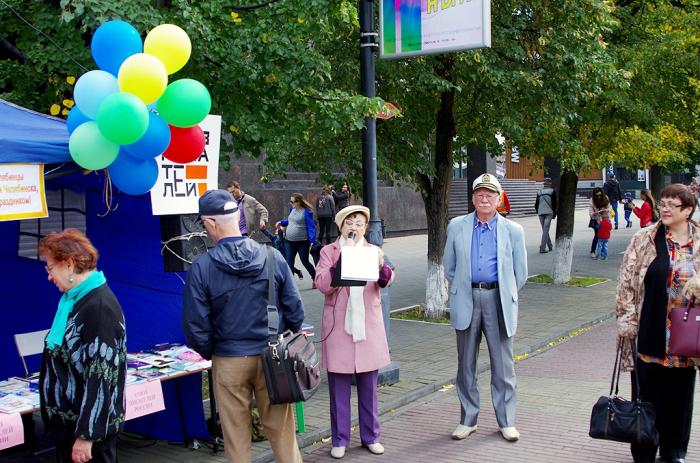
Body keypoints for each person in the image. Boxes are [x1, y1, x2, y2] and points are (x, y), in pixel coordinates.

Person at [182, 190, 304, 463]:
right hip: (273, 356)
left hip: (229, 359)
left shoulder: (202, 267)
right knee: (283, 435)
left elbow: (195, 326)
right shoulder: (271, 256)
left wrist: (216, 351)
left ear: (211, 224)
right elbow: (296, 310)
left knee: (236, 439)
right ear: (237, 215)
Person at [442, 173, 528, 443]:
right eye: (480, 194)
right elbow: (449, 267)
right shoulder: (457, 226)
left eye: (490, 194)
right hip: (467, 298)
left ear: (499, 198)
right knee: (465, 364)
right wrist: (463, 289)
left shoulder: (513, 231)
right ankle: (468, 419)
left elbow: (520, 273)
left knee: (502, 365)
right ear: (473, 198)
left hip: (497, 300)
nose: (484, 199)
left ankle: (506, 421)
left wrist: (503, 292)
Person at [616, 183, 698, 463]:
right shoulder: (645, 238)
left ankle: (674, 450)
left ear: (687, 210)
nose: (663, 208)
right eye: (662, 203)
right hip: (649, 328)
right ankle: (644, 448)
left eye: (671, 205)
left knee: (680, 394)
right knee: (647, 393)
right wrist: (626, 319)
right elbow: (626, 282)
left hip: (687, 333)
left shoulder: (699, 240)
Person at [38, 229, 126, 463]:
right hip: (68, 424)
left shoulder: (97, 307)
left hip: (85, 431)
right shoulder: (74, 300)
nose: (48, 276)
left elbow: (100, 376)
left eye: (50, 268)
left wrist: (87, 436)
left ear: (68, 264)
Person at [314, 205, 394, 459]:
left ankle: (371, 436)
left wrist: (381, 266)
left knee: (369, 388)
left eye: (359, 223)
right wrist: (341, 263)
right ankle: (339, 439)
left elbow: (388, 279)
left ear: (365, 228)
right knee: (338, 386)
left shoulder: (373, 251)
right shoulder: (329, 251)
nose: (354, 227)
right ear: (341, 227)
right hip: (340, 328)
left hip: (367, 327)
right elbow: (322, 284)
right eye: (349, 222)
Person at [277, 192, 317, 280]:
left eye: (293, 202)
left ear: (298, 201)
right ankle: (290, 285)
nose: (291, 203)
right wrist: (281, 222)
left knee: (305, 261)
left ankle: (315, 277)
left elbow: (311, 227)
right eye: (290, 201)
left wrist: (312, 241)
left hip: (302, 242)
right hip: (289, 241)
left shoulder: (307, 212)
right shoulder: (292, 210)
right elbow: (290, 221)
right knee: (289, 263)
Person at [534, 177, 557, 253]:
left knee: (545, 230)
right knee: (546, 230)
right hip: (549, 212)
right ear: (550, 183)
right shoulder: (552, 191)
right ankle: (542, 248)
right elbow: (554, 203)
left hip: (540, 213)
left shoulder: (539, 192)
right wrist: (554, 213)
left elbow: (536, 204)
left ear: (544, 183)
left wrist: (538, 211)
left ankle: (550, 246)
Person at [589, 187, 610, 258]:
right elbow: (590, 212)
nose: (599, 197)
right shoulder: (592, 200)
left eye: (600, 195)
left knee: (604, 236)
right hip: (596, 220)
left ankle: (602, 251)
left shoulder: (606, 198)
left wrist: (606, 211)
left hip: (604, 220)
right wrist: (595, 213)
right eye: (597, 195)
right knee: (597, 235)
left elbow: (609, 208)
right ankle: (593, 251)